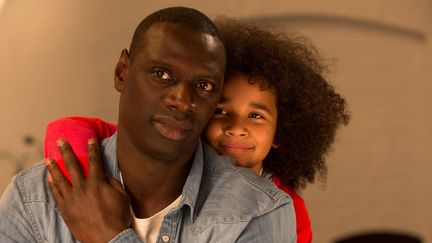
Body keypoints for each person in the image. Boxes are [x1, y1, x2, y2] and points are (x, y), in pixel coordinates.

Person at [0, 7, 296, 243]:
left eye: (204, 85)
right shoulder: (34, 200)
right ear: (121, 73)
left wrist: (110, 237)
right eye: (161, 74)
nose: (182, 101)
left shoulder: (256, 210)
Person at [43, 18, 350, 243]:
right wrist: (90, 185)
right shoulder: (160, 156)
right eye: (221, 111)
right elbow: (66, 130)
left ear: (282, 131)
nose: (236, 128)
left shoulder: (281, 210)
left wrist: (108, 234)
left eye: (256, 116)